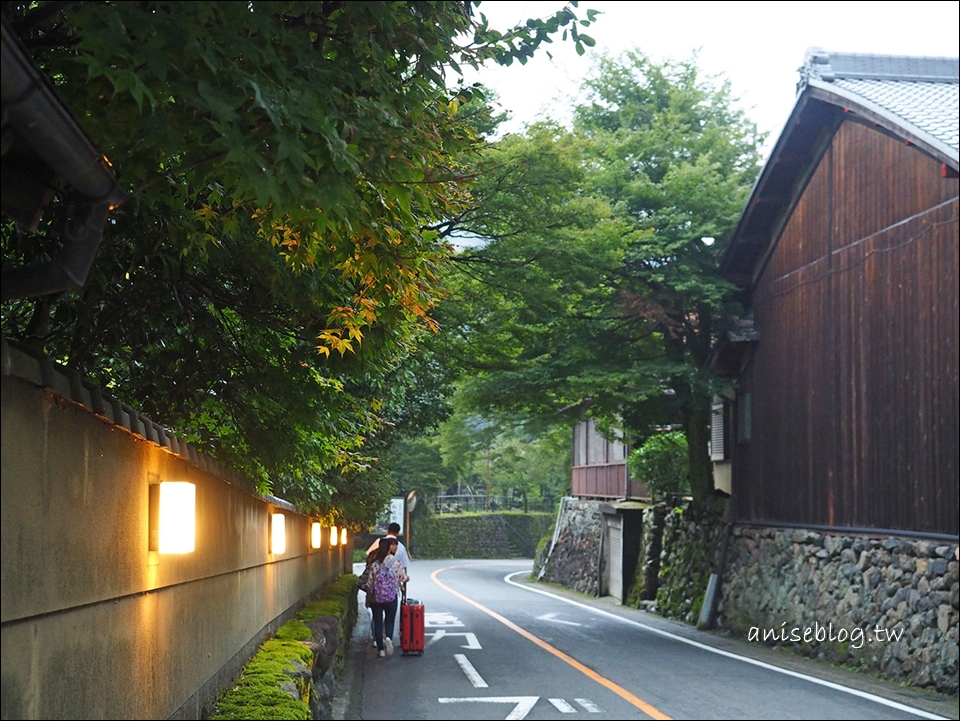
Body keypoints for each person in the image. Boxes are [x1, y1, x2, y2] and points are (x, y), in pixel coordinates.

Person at [366, 523, 411, 645]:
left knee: (377, 619)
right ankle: (388, 638)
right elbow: (404, 572)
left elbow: (368, 560)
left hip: (377, 594)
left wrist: (369, 592)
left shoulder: (377, 544)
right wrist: (403, 585)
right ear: (397, 532)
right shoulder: (400, 548)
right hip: (391, 593)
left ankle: (377, 641)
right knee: (390, 619)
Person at [367, 537, 405, 657]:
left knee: (378, 622)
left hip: (377, 597)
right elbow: (403, 578)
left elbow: (369, 582)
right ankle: (388, 637)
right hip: (391, 596)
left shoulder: (375, 564)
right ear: (389, 548)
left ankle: (380, 649)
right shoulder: (396, 563)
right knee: (389, 620)